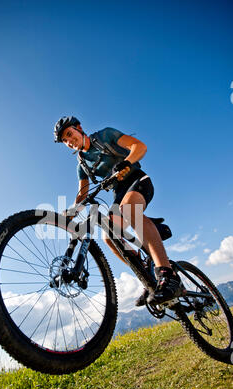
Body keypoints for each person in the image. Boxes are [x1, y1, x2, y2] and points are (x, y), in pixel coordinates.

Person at [53, 116, 182, 305]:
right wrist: (74, 209)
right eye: (65, 140)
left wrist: (127, 162)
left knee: (129, 209)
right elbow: (83, 193)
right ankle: (147, 278)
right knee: (109, 237)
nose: (69, 141)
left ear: (79, 128)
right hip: (119, 194)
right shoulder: (82, 165)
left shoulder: (105, 136)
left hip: (138, 181)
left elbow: (140, 146)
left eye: (69, 134)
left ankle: (168, 275)